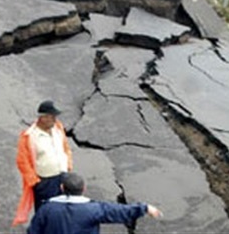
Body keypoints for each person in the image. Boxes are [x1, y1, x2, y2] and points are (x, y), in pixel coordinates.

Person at [28, 172, 163, 234]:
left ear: (62, 188)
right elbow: (120, 211)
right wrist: (145, 208)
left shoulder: (46, 209)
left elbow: (33, 231)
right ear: (83, 189)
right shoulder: (94, 209)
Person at [12, 100, 73, 227]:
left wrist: (68, 165)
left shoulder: (58, 128)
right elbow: (22, 161)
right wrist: (35, 182)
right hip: (45, 182)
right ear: (43, 117)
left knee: (63, 211)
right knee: (45, 213)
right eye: (52, 117)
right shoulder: (29, 136)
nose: (55, 120)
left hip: (63, 177)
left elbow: (65, 147)